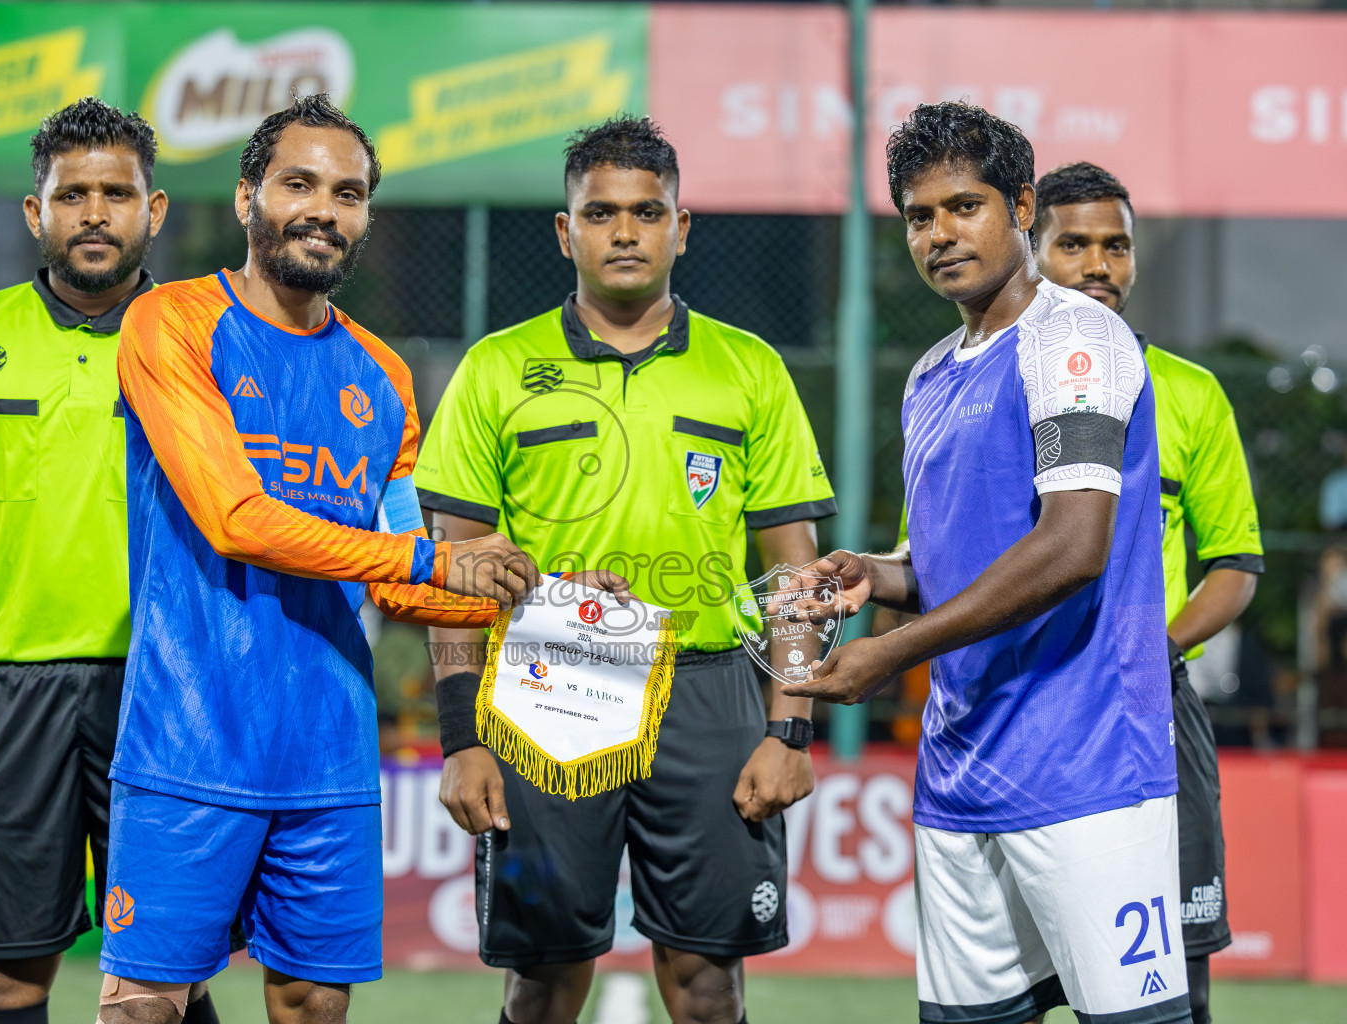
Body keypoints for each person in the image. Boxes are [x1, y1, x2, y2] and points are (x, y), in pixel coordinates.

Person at [95, 94, 626, 1024]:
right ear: (248, 197)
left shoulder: (382, 374)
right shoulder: (170, 324)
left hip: (330, 756)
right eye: (299, 184)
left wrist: (543, 598)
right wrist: (432, 561)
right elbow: (236, 519)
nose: (323, 209)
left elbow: (398, 569)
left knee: (312, 1004)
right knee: (143, 1005)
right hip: (187, 741)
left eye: (348, 193)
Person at [419, 116, 837, 1024]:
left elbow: (795, 577)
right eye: (600, 213)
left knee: (708, 984)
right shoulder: (496, 370)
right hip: (547, 685)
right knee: (543, 978)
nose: (624, 232)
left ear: (681, 229)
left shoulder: (750, 370)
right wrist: (460, 738)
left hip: (709, 686)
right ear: (566, 233)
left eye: (648, 212)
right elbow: (453, 570)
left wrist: (792, 729)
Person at [784, 102, 1189, 1024]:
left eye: (963, 207)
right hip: (962, 772)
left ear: (1021, 206)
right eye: (919, 217)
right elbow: (951, 564)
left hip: (1088, 770)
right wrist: (874, 578)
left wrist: (895, 651)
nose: (940, 234)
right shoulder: (932, 373)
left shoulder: (1075, 337)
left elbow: (1073, 547)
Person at [0, 98, 228, 1024]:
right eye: (73, 194)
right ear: (38, 213)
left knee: (164, 979)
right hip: (2, 692)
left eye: (116, 192)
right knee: (3, 980)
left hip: (165, 692)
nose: (95, 212)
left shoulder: (213, 343)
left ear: (156, 210)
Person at [1034, 161, 1265, 1024]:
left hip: (1150, 706)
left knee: (1177, 974)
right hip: (1021, 702)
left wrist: (1151, 649)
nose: (1099, 263)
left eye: (1116, 245)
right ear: (1034, 249)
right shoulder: (979, 384)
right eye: (1075, 244)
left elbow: (1235, 564)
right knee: (1014, 979)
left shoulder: (1191, 394)